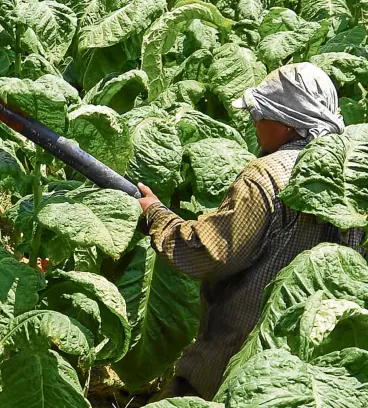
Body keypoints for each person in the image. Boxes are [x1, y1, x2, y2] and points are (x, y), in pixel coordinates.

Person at [137, 62, 365, 402]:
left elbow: (209, 253)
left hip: (238, 354)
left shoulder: (267, 175)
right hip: (312, 359)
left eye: (261, 113)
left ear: (286, 123)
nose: (255, 121)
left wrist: (157, 216)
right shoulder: (352, 173)